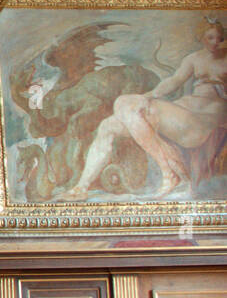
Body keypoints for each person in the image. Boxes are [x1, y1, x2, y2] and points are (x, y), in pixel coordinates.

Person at [64, 19, 227, 199]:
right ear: (202, 37)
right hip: (185, 107)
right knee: (107, 125)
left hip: (204, 117)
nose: (215, 42)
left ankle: (169, 171)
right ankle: (81, 187)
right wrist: (150, 95)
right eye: (210, 38)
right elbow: (174, 81)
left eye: (219, 39)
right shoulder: (194, 59)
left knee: (125, 102)